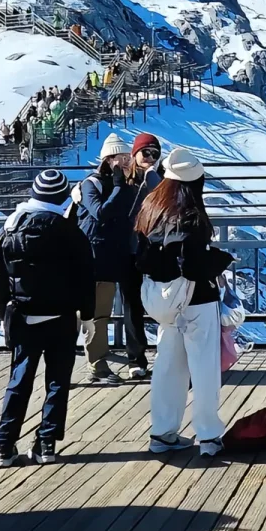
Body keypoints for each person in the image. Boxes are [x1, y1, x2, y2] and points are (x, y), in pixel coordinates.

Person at [0, 167, 96, 467]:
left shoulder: (10, 227)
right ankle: (46, 443)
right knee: (58, 380)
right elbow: (86, 277)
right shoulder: (70, 230)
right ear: (62, 198)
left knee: (19, 378)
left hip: (22, 315)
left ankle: (4, 445)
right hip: (61, 316)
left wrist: (4, 310)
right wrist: (87, 314)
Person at [135, 148, 232, 458]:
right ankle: (209, 436)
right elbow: (193, 266)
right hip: (197, 299)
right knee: (204, 369)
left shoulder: (151, 207)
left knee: (168, 368)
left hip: (164, 301)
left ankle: (162, 432)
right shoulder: (191, 215)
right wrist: (220, 260)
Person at [76, 132, 137, 386]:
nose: (126, 162)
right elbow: (99, 213)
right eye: (121, 158)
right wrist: (120, 186)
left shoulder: (124, 184)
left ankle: (97, 363)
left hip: (112, 256)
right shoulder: (91, 184)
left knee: (101, 313)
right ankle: (78, 365)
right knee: (86, 313)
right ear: (108, 160)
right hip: (91, 256)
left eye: (128, 157)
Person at [119, 132, 164, 379]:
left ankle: (167, 354)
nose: (150, 157)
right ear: (135, 153)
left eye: (155, 153)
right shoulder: (122, 180)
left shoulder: (161, 178)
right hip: (129, 250)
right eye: (145, 152)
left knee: (164, 303)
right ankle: (136, 359)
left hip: (156, 249)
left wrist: (153, 177)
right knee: (132, 305)